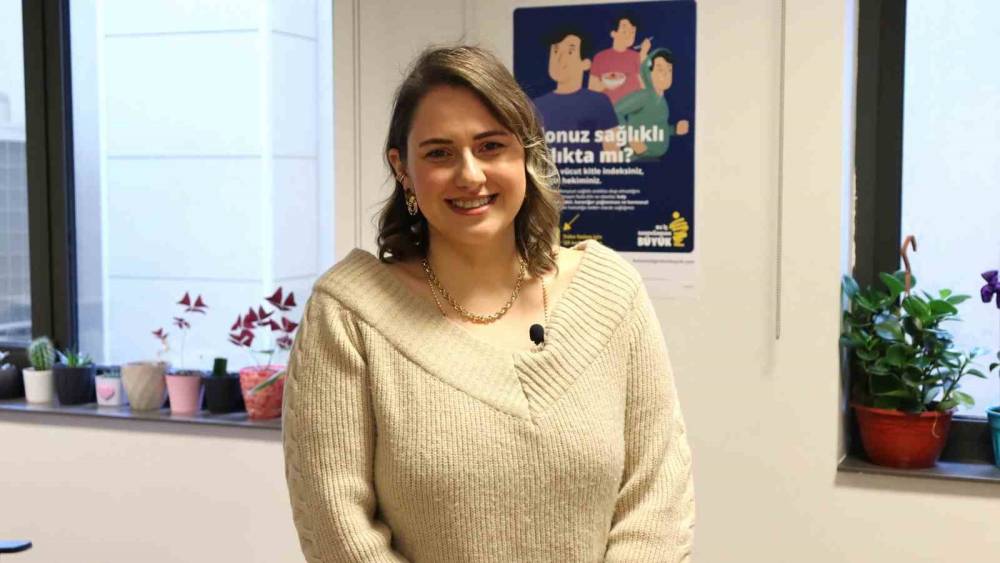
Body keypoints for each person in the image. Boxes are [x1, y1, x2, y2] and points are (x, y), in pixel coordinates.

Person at [281, 45, 695, 563]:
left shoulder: (612, 292)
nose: (470, 175)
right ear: (402, 168)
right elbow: (338, 528)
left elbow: (658, 499)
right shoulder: (349, 314)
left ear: (526, 154)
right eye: (439, 153)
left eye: (491, 146)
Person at [532, 28, 620, 156]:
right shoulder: (537, 106)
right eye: (555, 51)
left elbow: (613, 154)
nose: (560, 59)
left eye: (570, 52)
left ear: (585, 63)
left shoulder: (600, 102)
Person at [615, 49, 691, 161]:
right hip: (636, 159)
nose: (666, 74)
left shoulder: (662, 101)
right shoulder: (643, 96)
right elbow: (615, 111)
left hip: (653, 159)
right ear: (648, 73)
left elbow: (657, 129)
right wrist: (630, 139)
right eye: (660, 69)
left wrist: (674, 129)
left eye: (669, 70)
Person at [589, 13, 651, 105]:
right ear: (613, 33)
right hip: (606, 108)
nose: (629, 35)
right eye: (625, 31)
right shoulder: (600, 57)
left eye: (632, 32)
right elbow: (591, 89)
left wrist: (643, 56)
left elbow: (648, 90)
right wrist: (606, 84)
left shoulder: (639, 57)